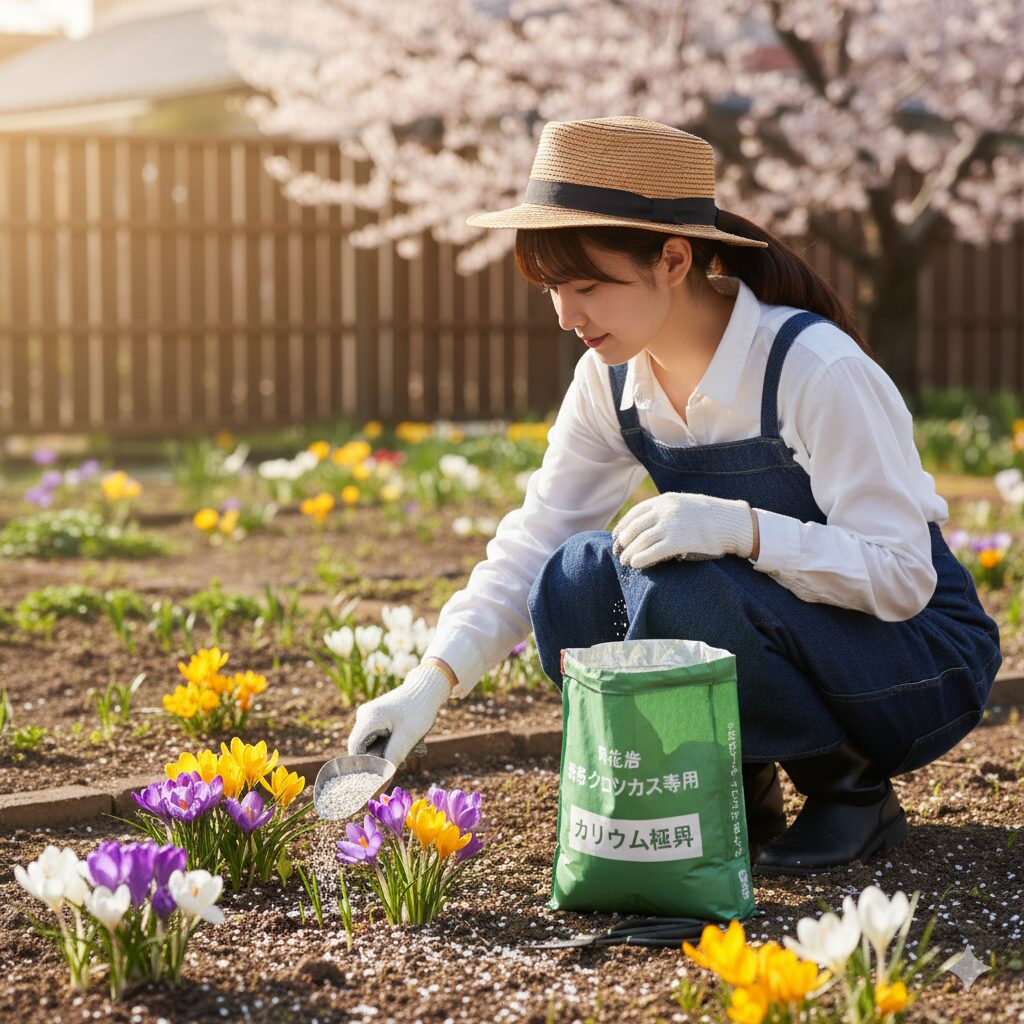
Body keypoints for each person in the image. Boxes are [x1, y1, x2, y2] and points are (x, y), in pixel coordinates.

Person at [347, 116, 1001, 876]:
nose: (566, 315)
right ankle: (734, 785)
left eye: (588, 285)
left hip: (913, 664)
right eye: (554, 289)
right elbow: (536, 537)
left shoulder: (812, 366)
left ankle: (850, 792)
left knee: (687, 583)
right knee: (576, 576)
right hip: (787, 631)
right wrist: (431, 681)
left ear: (673, 258)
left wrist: (742, 528)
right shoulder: (610, 378)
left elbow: (901, 573)